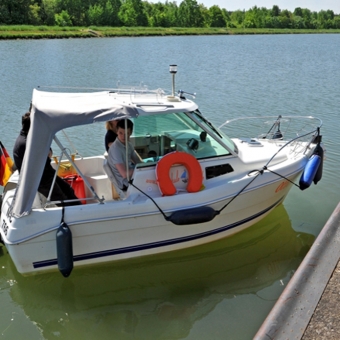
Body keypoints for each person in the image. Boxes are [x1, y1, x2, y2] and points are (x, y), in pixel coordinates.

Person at [13, 111, 80, 206]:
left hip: (46, 175)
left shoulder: (26, 139)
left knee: (68, 190)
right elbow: (47, 156)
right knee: (62, 200)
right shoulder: (27, 143)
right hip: (40, 180)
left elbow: (47, 155)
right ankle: (76, 215)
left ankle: (79, 209)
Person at [107, 119, 142, 190]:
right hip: (126, 183)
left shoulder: (129, 145)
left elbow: (138, 161)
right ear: (116, 131)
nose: (123, 136)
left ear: (131, 133)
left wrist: (144, 166)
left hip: (132, 177)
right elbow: (124, 174)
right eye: (120, 133)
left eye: (127, 133)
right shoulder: (115, 149)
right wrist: (138, 170)